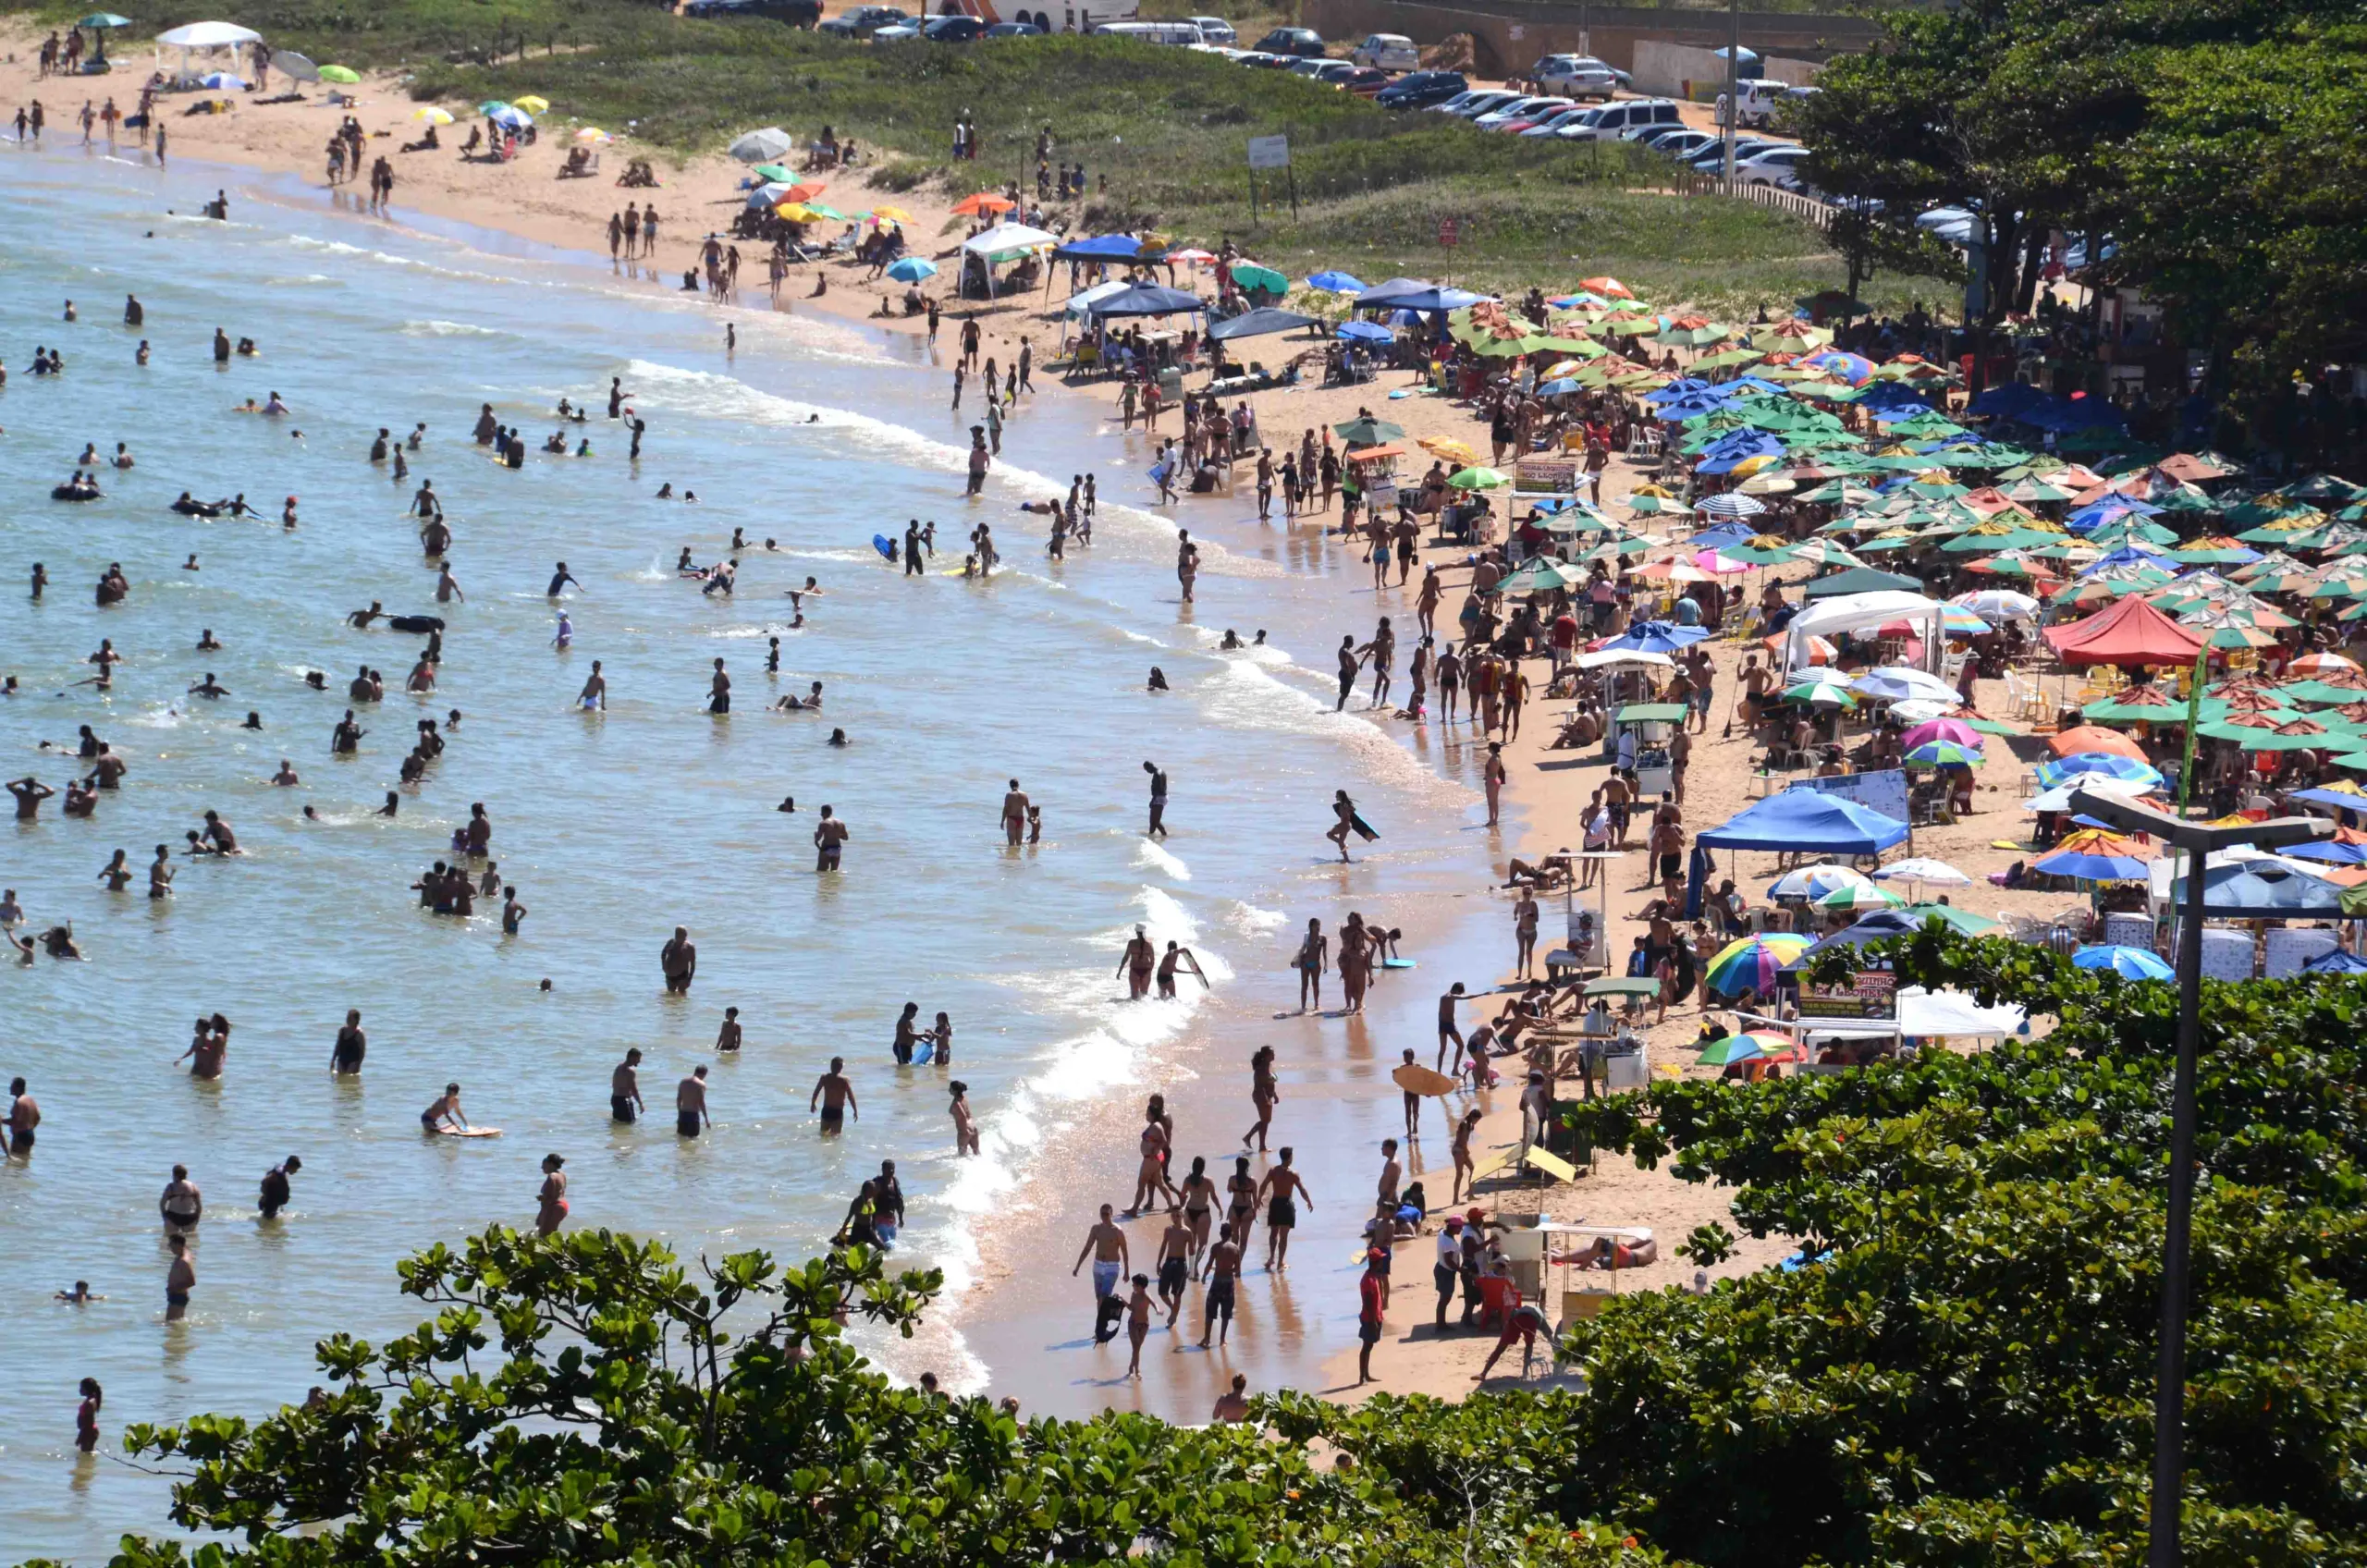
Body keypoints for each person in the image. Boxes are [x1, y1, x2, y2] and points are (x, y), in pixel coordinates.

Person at [1071, 1203, 1129, 1340]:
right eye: (1102, 1214)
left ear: (1111, 1214)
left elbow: (1125, 1251)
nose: (1104, 1217)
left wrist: (1127, 1271)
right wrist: (1078, 1266)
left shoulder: (1117, 1231)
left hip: (1112, 1266)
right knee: (1099, 1299)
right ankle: (1100, 1327)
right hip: (1098, 1265)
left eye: (1106, 1214)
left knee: (1103, 1296)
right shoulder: (1096, 1229)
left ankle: (1101, 1328)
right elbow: (1087, 1247)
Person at [1257, 1146, 1312, 1270]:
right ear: (1290, 1157)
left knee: (1273, 1233)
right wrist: (1308, 1201)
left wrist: (1258, 1198)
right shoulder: (1293, 1174)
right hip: (1286, 1204)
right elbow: (1301, 1189)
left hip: (1275, 1203)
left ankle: (1271, 1258)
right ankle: (1280, 1262)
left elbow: (1264, 1184)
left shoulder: (1273, 1171)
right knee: (1284, 1236)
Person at [1473, 1299, 1551, 1382]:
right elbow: (1550, 1337)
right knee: (1529, 1346)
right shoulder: (1542, 1320)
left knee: (1501, 1347)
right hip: (1529, 1320)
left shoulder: (1529, 1311)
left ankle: (1483, 1373)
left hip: (1516, 1318)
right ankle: (1525, 1374)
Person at [1355, 1247, 1388, 1384]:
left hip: (1374, 1317)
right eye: (1381, 1260)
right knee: (1366, 1347)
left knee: (1369, 1347)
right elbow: (1368, 1304)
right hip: (1369, 1319)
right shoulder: (1368, 1280)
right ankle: (1362, 1377)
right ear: (1377, 1262)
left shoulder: (1373, 1276)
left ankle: (1366, 1375)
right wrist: (1374, 1321)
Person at [810, 1056, 856, 1133]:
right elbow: (850, 1097)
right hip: (837, 1112)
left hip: (826, 1110)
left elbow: (816, 1091)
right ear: (841, 1067)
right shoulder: (844, 1080)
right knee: (835, 1137)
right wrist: (855, 1110)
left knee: (823, 1135)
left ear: (831, 1066)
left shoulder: (824, 1078)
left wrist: (813, 1103)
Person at [1122, 1272, 1154, 1378]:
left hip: (1144, 1325)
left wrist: (1158, 1309)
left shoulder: (1146, 1295)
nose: (1132, 1286)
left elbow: (1153, 1303)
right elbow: (1131, 1308)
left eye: (1134, 1285)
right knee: (1136, 1347)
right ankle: (1136, 1370)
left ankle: (1131, 1366)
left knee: (1137, 1348)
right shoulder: (1133, 1295)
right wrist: (1122, 1300)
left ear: (1140, 1286)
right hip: (1133, 1323)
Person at [159, 1164, 202, 1232]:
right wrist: (197, 1219)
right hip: (189, 1216)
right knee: (190, 1240)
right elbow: (199, 1207)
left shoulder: (171, 1187)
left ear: (175, 1175)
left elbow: (162, 1204)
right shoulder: (194, 1187)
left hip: (173, 1216)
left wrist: (165, 1217)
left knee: (170, 1239)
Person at [259, 1155, 301, 1220]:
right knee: (268, 1223)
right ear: (291, 1166)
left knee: (266, 1222)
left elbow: (267, 1177)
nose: (296, 1172)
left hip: (267, 1200)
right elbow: (265, 1181)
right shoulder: (281, 1175)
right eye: (296, 1169)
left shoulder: (279, 1169)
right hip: (270, 1203)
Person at [536, 1153, 569, 1234]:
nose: (542, 1167)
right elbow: (560, 1191)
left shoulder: (552, 1176)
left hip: (554, 1206)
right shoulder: (562, 1174)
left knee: (544, 1235)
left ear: (550, 1164)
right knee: (553, 1234)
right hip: (563, 1205)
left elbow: (548, 1198)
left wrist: (541, 1198)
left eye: (544, 1165)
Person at [166, 1234, 195, 1321]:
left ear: (178, 1245)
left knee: (170, 1322)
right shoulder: (183, 1253)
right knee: (176, 1322)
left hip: (178, 1295)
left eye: (171, 1245)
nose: (169, 1247)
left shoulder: (183, 1261)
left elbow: (192, 1281)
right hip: (176, 1295)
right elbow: (187, 1249)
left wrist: (174, 1288)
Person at [611, 1048, 645, 1123]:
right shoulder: (630, 1072)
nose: (639, 1061)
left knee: (618, 1123)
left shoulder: (619, 1067)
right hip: (624, 1102)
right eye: (638, 1058)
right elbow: (634, 1090)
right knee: (629, 1125)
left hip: (615, 1099)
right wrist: (640, 1104)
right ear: (632, 1057)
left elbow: (614, 1084)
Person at [676, 1065, 710, 1137]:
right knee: (692, 1140)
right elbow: (701, 1102)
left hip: (683, 1114)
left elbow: (679, 1099)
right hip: (693, 1115)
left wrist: (679, 1113)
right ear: (704, 1074)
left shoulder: (683, 1082)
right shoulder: (701, 1084)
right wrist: (706, 1119)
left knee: (681, 1138)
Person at [660, 926, 696, 994]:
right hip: (670, 974)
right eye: (678, 935)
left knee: (682, 995)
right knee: (670, 996)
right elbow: (663, 954)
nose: (683, 938)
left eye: (684, 935)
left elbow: (693, 964)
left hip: (682, 975)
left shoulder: (690, 947)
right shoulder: (671, 943)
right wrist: (664, 966)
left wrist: (689, 979)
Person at [950, 1079, 980, 1155]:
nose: (949, 1090)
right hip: (973, 1127)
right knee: (976, 1152)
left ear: (955, 1091)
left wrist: (965, 1131)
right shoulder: (964, 1098)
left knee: (962, 1155)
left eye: (950, 1088)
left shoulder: (957, 1103)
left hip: (964, 1131)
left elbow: (963, 1116)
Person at [331, 1010, 366, 1074]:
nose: (348, 1020)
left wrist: (358, 1065)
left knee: (349, 1078)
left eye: (350, 1018)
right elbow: (337, 1046)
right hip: (341, 1060)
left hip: (353, 1061)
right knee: (340, 1080)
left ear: (356, 1020)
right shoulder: (342, 1031)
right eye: (347, 1018)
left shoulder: (359, 1034)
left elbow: (362, 1052)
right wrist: (333, 1060)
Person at [77, 1377, 104, 1453]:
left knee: (86, 1455)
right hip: (88, 1431)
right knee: (86, 1455)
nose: (80, 1390)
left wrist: (80, 1436)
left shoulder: (90, 1403)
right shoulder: (90, 1400)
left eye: (81, 1388)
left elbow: (89, 1423)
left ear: (87, 1389)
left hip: (88, 1432)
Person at [1143, 759, 1169, 839]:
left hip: (1159, 798)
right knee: (1152, 821)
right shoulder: (1161, 771)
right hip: (1161, 797)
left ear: (1149, 767)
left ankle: (1165, 835)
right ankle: (1151, 838)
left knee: (1156, 821)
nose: (1147, 772)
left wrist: (1153, 799)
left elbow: (1160, 788)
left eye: (1147, 770)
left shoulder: (1157, 774)